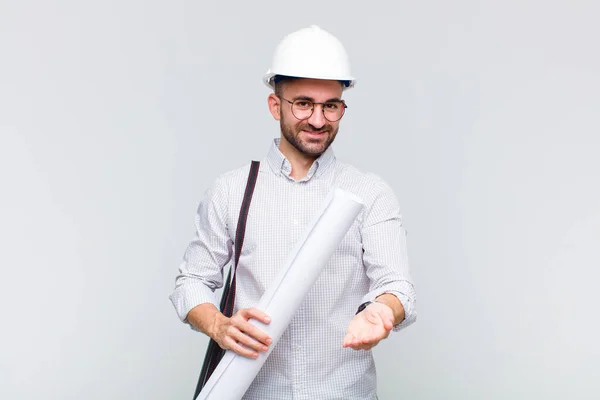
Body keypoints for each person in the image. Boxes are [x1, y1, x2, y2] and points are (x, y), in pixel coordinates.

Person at [170, 25, 417, 399]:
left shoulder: (369, 192)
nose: (318, 120)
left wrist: (381, 311)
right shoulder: (232, 190)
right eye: (303, 103)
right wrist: (219, 326)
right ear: (276, 105)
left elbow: (397, 286)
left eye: (330, 106)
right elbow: (190, 282)